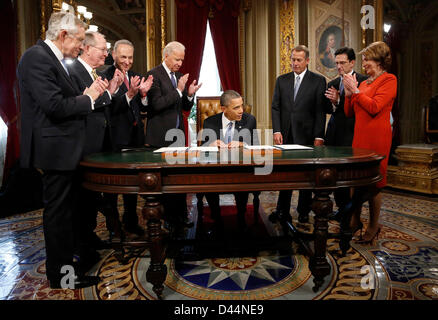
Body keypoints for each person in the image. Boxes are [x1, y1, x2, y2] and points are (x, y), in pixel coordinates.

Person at [17, 12, 108, 289]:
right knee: (58, 216)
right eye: (80, 40)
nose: (81, 46)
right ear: (64, 35)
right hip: (54, 151)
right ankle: (63, 277)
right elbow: (54, 107)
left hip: (64, 149)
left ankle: (72, 267)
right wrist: (88, 98)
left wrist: (86, 95)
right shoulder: (37, 57)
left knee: (68, 214)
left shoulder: (53, 58)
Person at [66, 31, 126, 262]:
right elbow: (83, 103)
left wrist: (109, 91)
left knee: (89, 197)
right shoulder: (73, 71)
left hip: (98, 145)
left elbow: (97, 103)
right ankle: (80, 246)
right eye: (102, 49)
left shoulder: (93, 72)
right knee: (80, 199)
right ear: (87, 49)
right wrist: (106, 93)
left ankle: (88, 236)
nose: (105, 53)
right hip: (83, 144)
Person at [343, 41, 397, 244]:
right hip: (359, 138)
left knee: (375, 183)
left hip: (377, 139)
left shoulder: (389, 80)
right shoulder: (364, 83)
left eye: (367, 59)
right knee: (353, 181)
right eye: (363, 60)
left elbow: (375, 107)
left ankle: (373, 225)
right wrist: (349, 95)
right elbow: (350, 112)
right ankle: (355, 220)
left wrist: (355, 91)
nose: (364, 64)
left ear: (379, 60)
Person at [145, 41, 202, 228]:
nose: (180, 63)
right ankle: (168, 220)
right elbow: (157, 105)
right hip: (160, 138)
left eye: (182, 60)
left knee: (178, 180)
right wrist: (178, 90)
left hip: (177, 137)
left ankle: (181, 216)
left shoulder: (178, 76)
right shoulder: (154, 75)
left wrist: (189, 95)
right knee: (165, 182)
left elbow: (184, 107)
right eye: (177, 59)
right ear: (166, 56)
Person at [102, 39, 153, 236]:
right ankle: (113, 227)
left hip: (135, 138)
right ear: (113, 55)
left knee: (132, 186)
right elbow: (109, 108)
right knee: (112, 188)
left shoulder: (135, 75)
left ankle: (131, 221)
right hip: (115, 138)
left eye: (130, 57)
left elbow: (144, 109)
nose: (127, 61)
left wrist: (143, 96)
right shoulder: (104, 76)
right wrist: (130, 94)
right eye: (123, 56)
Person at [271, 45, 326, 224]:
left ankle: (303, 211)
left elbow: (320, 111)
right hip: (285, 134)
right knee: (285, 174)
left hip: (308, 136)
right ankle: (282, 210)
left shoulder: (318, 81)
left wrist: (319, 136)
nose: (295, 63)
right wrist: (277, 130)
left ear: (307, 61)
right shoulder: (281, 80)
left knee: (306, 175)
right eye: (293, 59)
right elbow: (276, 107)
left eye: (299, 60)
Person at [201, 90, 258, 233]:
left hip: (240, 167)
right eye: (236, 108)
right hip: (216, 168)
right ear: (223, 109)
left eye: (241, 106)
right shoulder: (210, 122)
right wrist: (211, 144)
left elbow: (256, 146)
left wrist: (241, 144)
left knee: (243, 177)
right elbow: (202, 147)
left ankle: (241, 215)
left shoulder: (249, 120)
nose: (241, 111)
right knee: (207, 178)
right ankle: (216, 217)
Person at [324, 47, 368, 222]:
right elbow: (329, 110)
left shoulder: (363, 81)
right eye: (336, 63)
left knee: (350, 176)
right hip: (334, 134)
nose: (339, 66)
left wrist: (340, 100)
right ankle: (341, 209)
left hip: (352, 133)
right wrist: (334, 103)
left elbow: (359, 109)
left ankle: (351, 212)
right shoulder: (332, 83)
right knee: (336, 175)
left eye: (342, 63)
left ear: (352, 62)